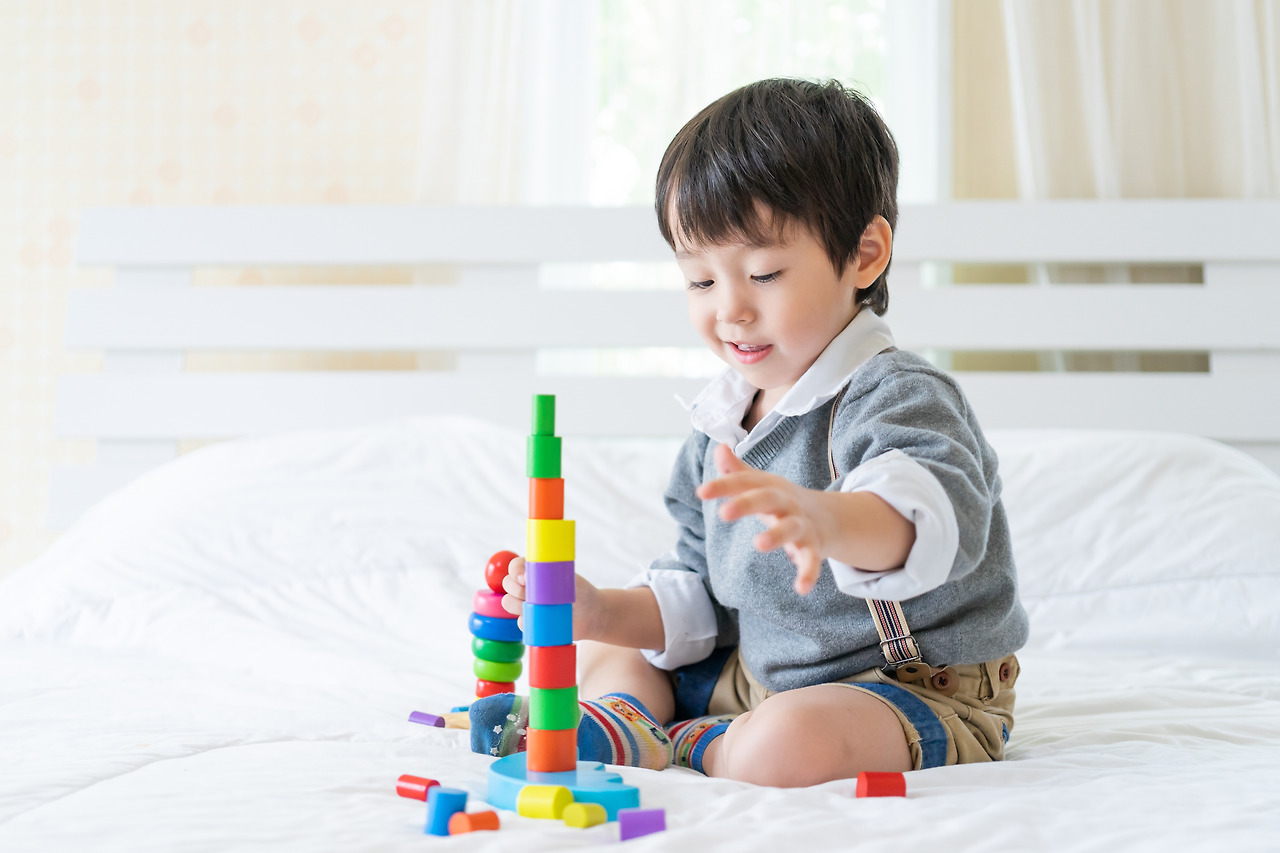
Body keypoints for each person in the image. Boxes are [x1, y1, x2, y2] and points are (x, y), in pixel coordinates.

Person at [469, 77, 1029, 786]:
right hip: (762, 671)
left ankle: (686, 743)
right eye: (701, 282)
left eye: (763, 272)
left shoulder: (897, 396)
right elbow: (701, 597)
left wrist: (826, 515)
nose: (729, 310)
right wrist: (602, 609)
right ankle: (620, 714)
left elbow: (923, 516)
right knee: (621, 652)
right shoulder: (718, 426)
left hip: (910, 686)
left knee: (785, 744)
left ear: (864, 254)